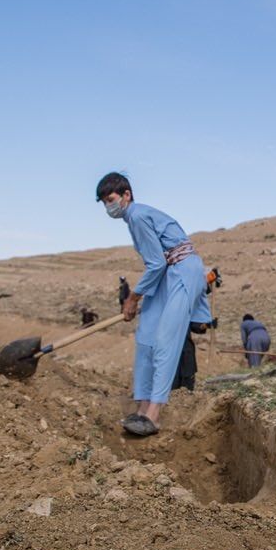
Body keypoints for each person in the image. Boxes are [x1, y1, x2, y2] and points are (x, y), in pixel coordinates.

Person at [96, 172, 211, 436]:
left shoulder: (136, 215)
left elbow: (157, 263)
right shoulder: (132, 219)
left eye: (110, 199)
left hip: (182, 271)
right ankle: (142, 406)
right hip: (167, 274)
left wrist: (133, 298)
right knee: (146, 336)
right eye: (104, 202)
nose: (108, 206)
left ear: (126, 195)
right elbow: (159, 264)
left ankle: (154, 415)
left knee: (164, 340)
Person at [171, 322, 209, 392]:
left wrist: (206, 324)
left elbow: (195, 325)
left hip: (186, 351)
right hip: (169, 351)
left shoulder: (186, 311)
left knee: (188, 383)